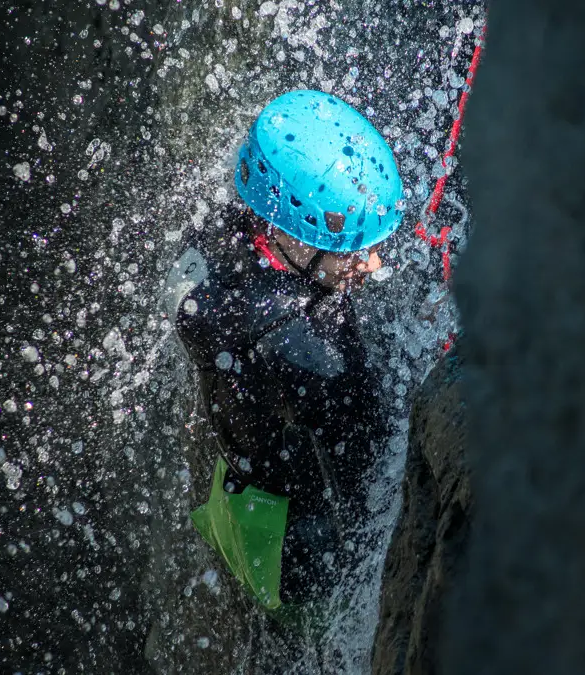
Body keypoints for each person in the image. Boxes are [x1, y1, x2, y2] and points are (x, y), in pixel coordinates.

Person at [160, 89, 405, 608]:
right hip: (288, 543)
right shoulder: (305, 348)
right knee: (308, 612)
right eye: (351, 248)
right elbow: (379, 467)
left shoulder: (216, 238)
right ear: (291, 235)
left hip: (238, 487)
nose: (374, 263)